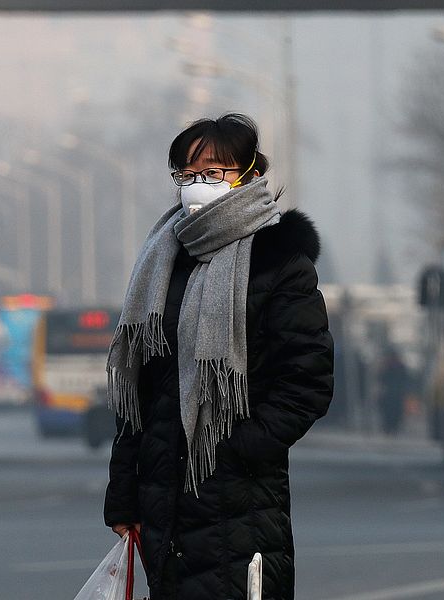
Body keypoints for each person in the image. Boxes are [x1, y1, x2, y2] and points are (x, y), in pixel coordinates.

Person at [103, 113, 334, 600]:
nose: (196, 185)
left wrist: (235, 449)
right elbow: (137, 395)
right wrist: (124, 495)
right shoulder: (163, 259)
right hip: (163, 503)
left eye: (212, 172)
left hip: (241, 503)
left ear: (250, 175)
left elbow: (307, 382)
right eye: (186, 174)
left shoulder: (279, 262)